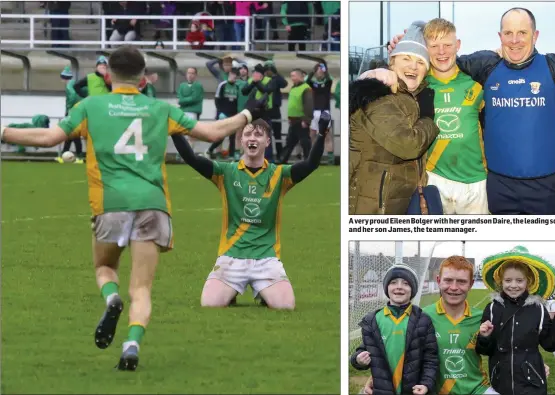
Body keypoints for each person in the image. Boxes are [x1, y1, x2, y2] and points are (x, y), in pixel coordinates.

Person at [0, 45, 268, 371]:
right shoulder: (159, 108)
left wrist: (4, 131)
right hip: (153, 205)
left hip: (110, 203)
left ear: (109, 74)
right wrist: (248, 114)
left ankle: (111, 298)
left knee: (105, 269)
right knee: (141, 288)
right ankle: (131, 345)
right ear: (143, 78)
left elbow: (48, 138)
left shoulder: (90, 106)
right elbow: (210, 132)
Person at [387, 8, 555, 214]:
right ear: (500, 36)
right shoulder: (485, 67)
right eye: (508, 33)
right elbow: (440, 60)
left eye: (522, 33)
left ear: (535, 36)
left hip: (545, 188)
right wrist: (404, 50)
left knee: (541, 246)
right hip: (498, 187)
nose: (514, 40)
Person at [171, 112, 331, 309]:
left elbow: (310, 164)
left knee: (286, 306)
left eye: (258, 135)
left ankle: (265, 292)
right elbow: (191, 159)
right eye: (247, 134)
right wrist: (175, 129)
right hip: (231, 256)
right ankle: (232, 293)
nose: (252, 138)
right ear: (241, 140)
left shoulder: (280, 175)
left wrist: (322, 132)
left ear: (267, 141)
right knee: (209, 304)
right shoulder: (225, 172)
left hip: (266, 258)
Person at [361, 255, 553, 395]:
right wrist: (375, 378)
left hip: (477, 389)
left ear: (470, 285)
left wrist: (532, 361)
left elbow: (511, 342)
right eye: (448, 280)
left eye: (461, 282)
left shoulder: (484, 318)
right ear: (438, 281)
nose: (454, 287)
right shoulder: (419, 317)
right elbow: (394, 349)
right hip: (431, 390)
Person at [363, 18, 487, 214]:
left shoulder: (477, 82)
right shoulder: (418, 83)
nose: (442, 52)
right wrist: (376, 71)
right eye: (434, 46)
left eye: (447, 45)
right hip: (434, 179)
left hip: (475, 182)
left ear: (458, 45)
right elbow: (391, 75)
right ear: (425, 48)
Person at [349, 21, 439, 215]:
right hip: (372, 208)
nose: (413, 66)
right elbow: (409, 146)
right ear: (392, 62)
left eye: (421, 62)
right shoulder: (378, 94)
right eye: (406, 58)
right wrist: (427, 119)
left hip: (394, 203)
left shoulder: (409, 95)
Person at [477, 246, 555, 395]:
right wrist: (484, 336)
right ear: (501, 281)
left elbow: (550, 345)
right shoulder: (492, 309)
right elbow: (484, 350)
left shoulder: (539, 309)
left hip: (533, 382)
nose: (513, 285)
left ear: (528, 281)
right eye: (508, 280)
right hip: (501, 382)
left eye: (519, 280)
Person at [350, 265, 439, 395]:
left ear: (412, 290)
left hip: (412, 391)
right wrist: (358, 359)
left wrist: (426, 384)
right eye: (393, 282)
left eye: (406, 283)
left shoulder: (423, 320)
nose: (399, 286)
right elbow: (364, 350)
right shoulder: (373, 320)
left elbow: (431, 358)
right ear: (387, 288)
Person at [280, 68, 314, 163]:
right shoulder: (293, 88)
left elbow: (308, 105)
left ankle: (308, 160)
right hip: (293, 120)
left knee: (304, 142)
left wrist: (306, 120)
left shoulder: (306, 89)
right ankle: (283, 160)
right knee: (290, 142)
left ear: (300, 76)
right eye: (291, 76)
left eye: (293, 76)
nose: (292, 78)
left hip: (301, 120)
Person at [207, 68, 240, 159]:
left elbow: (238, 101)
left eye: (236, 75)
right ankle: (210, 150)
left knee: (232, 136)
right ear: (229, 74)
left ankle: (232, 156)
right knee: (221, 136)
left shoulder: (237, 86)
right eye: (233, 74)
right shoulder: (222, 85)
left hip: (233, 114)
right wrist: (220, 112)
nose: (234, 77)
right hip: (223, 114)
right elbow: (217, 99)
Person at [307, 62, 335, 164]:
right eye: (317, 70)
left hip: (325, 112)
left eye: (321, 70)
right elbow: (307, 79)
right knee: (312, 134)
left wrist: (324, 70)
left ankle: (330, 159)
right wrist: (313, 71)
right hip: (315, 112)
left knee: (327, 135)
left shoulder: (327, 82)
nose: (319, 72)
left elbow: (330, 78)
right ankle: (314, 158)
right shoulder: (314, 84)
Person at [57, 65, 84, 164]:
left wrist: (69, 109)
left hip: (73, 112)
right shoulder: (74, 83)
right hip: (79, 111)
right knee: (70, 134)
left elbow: (72, 97)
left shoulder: (69, 86)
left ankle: (79, 157)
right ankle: (65, 154)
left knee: (73, 134)